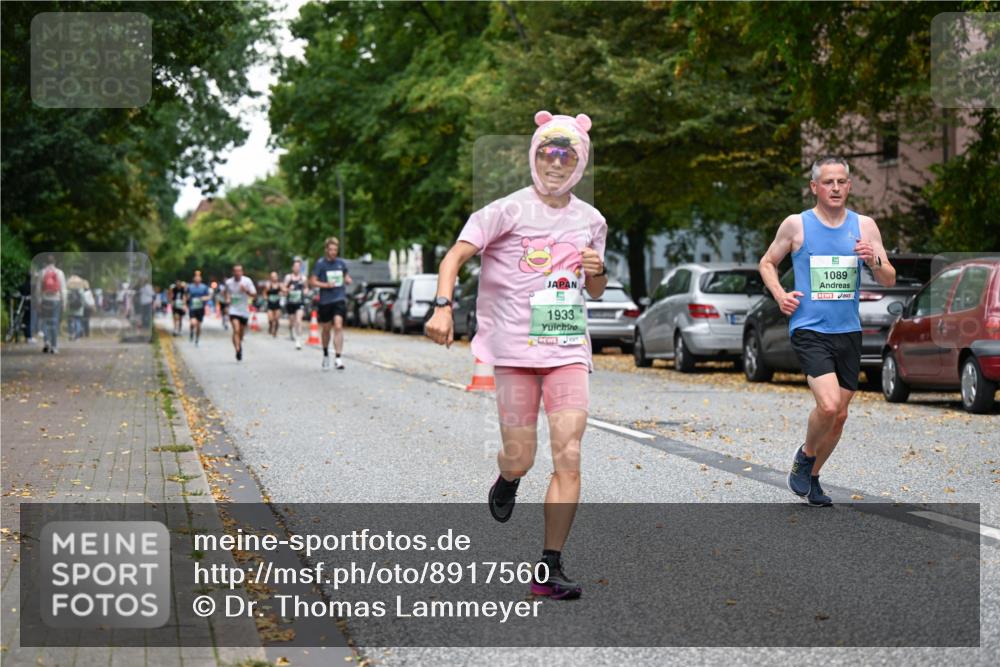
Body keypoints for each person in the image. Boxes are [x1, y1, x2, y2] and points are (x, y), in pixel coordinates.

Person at [425, 111, 607, 600]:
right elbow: (454, 257)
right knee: (521, 456)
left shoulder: (592, 221)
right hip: (514, 350)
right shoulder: (505, 210)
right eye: (548, 151)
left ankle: (549, 567)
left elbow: (596, 289)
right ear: (534, 155)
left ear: (579, 162)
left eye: (567, 153)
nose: (556, 161)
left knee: (568, 454)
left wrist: (597, 269)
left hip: (567, 348)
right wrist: (442, 306)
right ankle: (508, 478)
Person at [759, 156, 896, 507]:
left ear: (849, 186)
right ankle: (805, 456)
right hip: (809, 328)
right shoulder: (797, 225)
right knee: (829, 403)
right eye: (828, 182)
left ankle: (813, 477)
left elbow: (888, 277)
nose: (835, 188)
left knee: (840, 416)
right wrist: (780, 295)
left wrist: (873, 259)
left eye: (841, 182)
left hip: (848, 330)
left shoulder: (865, 226)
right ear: (814, 187)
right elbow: (767, 262)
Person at [310, 237, 352, 370]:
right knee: (326, 329)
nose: (333, 252)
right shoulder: (320, 264)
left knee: (338, 326)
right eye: (331, 249)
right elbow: (312, 281)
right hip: (325, 301)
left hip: (339, 299)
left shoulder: (341, 263)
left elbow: (346, 276)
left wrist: (348, 279)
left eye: (335, 250)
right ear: (326, 250)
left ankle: (338, 358)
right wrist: (326, 285)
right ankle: (325, 354)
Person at [225, 265, 257, 362]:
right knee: (236, 330)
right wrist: (227, 299)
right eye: (235, 271)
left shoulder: (247, 281)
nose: (237, 273)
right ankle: (238, 350)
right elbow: (226, 293)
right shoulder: (229, 282)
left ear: (242, 272)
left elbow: (254, 294)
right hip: (233, 310)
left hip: (244, 310)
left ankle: (239, 344)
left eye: (239, 271)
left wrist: (246, 290)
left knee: (241, 333)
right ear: (233, 272)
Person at [36, 255, 66, 353]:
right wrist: (64, 303)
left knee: (45, 321)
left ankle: (46, 342)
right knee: (54, 322)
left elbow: (38, 289)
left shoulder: (42, 272)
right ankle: (54, 346)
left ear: (45, 263)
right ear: (55, 262)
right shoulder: (59, 273)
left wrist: (38, 301)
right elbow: (63, 290)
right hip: (56, 300)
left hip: (45, 300)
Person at [284, 258, 308, 349]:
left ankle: (298, 340)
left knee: (299, 320)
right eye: (295, 266)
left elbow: (306, 288)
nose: (297, 268)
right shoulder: (288, 277)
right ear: (292, 268)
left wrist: (305, 291)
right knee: (291, 322)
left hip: (299, 302)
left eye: (298, 267)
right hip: (290, 302)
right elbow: (283, 288)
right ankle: (291, 332)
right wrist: (288, 289)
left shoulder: (303, 278)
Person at [186, 270, 211, 346]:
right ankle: (191, 332)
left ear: (200, 279)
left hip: (200, 308)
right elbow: (186, 296)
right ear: (194, 279)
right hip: (192, 307)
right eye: (196, 278)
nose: (197, 279)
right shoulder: (190, 287)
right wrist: (186, 300)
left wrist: (204, 298)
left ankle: (197, 339)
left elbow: (208, 296)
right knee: (193, 323)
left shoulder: (204, 287)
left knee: (199, 325)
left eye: (198, 278)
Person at [265, 271, 284, 338]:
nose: (274, 278)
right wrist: (266, 297)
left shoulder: (280, 285)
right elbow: (264, 293)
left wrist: (282, 293)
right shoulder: (268, 285)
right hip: (270, 304)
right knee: (270, 319)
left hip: (277, 305)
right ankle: (270, 326)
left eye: (275, 276)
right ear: (271, 278)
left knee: (276, 320)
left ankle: (275, 331)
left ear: (277, 277)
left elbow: (285, 291)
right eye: (272, 277)